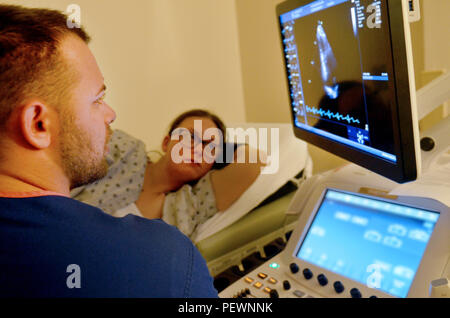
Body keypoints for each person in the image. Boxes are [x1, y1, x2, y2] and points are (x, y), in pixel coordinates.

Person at [0, 5, 217, 297]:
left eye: (210, 145)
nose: (111, 114)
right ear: (38, 124)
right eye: (98, 99)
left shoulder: (191, 207)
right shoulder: (168, 261)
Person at [72, 109, 266, 240]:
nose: (198, 148)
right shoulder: (125, 150)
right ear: (166, 143)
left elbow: (251, 161)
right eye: (191, 136)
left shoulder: (192, 205)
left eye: (210, 146)